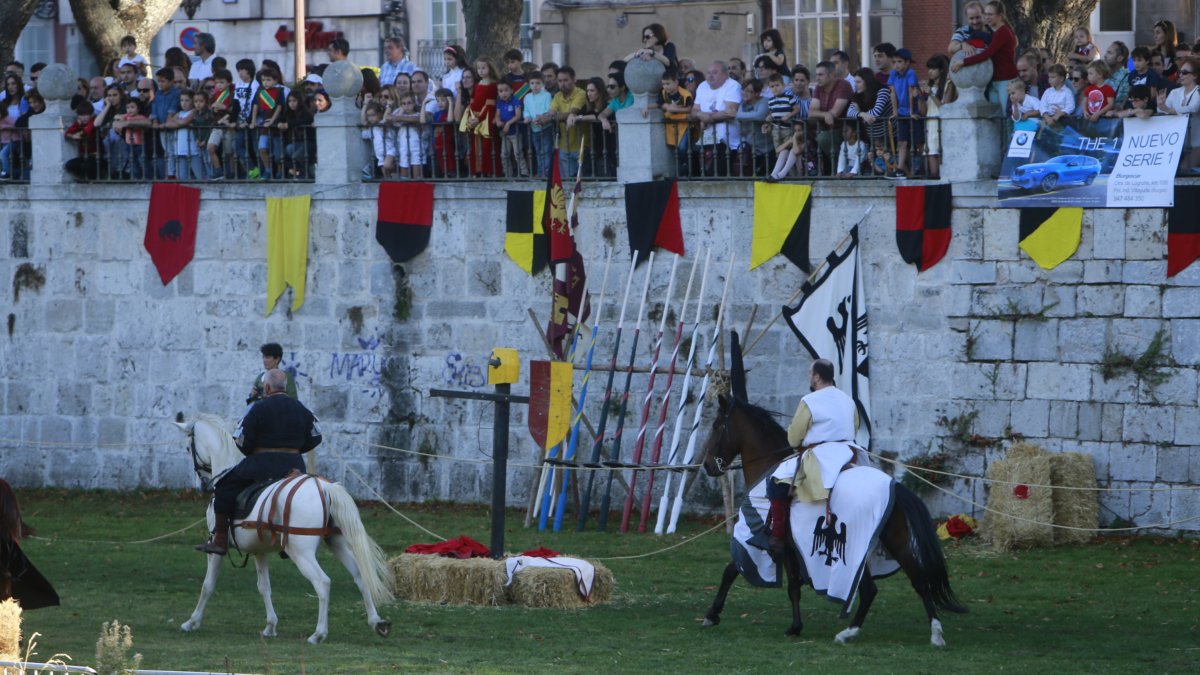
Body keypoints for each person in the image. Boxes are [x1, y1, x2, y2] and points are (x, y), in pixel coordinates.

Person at [196, 369, 321, 555]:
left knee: (223, 485)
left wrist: (252, 451)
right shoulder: (301, 409)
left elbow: (240, 439)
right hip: (295, 466)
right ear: (285, 387)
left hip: (262, 465)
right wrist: (295, 451)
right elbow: (316, 437)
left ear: (267, 387)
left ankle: (220, 540)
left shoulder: (259, 408)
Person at [763, 359, 863, 554]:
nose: (810, 377)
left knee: (776, 481)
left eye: (811, 374)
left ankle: (777, 536)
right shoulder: (848, 400)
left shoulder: (809, 401)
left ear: (817, 376)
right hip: (849, 454)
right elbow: (855, 426)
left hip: (821, 456)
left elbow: (793, 439)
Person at [952, 0, 1016, 108]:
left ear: (1000, 16)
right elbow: (951, 48)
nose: (987, 17)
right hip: (992, 80)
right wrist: (963, 44)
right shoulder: (997, 31)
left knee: (1006, 117)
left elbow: (987, 54)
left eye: (990, 14)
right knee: (995, 118)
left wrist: (963, 62)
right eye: (985, 14)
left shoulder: (1002, 32)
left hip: (1005, 80)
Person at [690, 60, 742, 176]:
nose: (710, 75)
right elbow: (694, 111)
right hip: (705, 137)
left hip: (726, 140)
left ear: (725, 75)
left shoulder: (733, 86)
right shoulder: (702, 86)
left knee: (717, 172)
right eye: (708, 72)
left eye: (714, 72)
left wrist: (708, 118)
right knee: (693, 166)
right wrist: (700, 115)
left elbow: (730, 111)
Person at [809, 60, 852, 175]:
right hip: (826, 129)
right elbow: (812, 111)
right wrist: (825, 114)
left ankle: (841, 170)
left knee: (824, 138)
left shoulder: (843, 85)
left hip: (844, 130)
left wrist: (828, 114)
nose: (817, 78)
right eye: (816, 75)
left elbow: (836, 113)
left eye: (820, 75)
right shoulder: (818, 88)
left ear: (832, 75)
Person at [550, 66, 588, 178]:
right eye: (560, 81)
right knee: (566, 183)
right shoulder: (557, 96)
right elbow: (551, 113)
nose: (562, 83)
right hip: (563, 146)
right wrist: (548, 116)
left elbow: (573, 111)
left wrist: (553, 117)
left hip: (581, 146)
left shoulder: (580, 93)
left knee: (581, 184)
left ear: (573, 80)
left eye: (566, 80)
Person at [523, 71, 554, 178]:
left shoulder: (547, 95)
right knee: (537, 151)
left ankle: (546, 173)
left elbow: (549, 109)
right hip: (534, 128)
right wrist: (527, 117)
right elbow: (526, 110)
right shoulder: (527, 97)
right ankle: (540, 172)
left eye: (537, 83)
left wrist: (541, 117)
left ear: (542, 84)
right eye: (532, 83)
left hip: (546, 128)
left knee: (546, 151)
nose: (535, 86)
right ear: (529, 84)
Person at [494, 81, 527, 177]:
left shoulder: (515, 101)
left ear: (511, 91)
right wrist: (498, 121)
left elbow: (518, 115)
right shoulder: (499, 103)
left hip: (515, 133)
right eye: (500, 91)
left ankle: (524, 172)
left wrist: (508, 123)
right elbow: (497, 115)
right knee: (504, 154)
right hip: (505, 134)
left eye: (506, 90)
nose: (503, 93)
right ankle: (507, 173)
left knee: (518, 153)